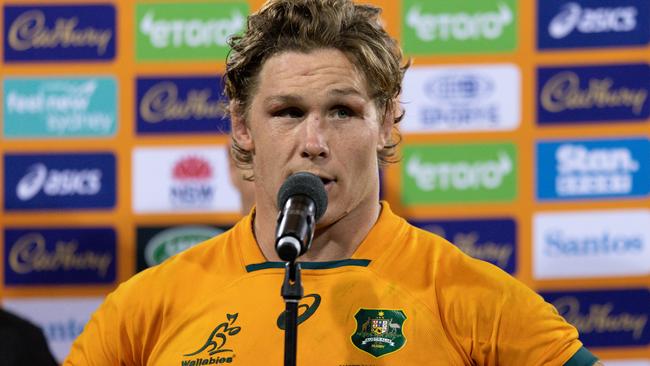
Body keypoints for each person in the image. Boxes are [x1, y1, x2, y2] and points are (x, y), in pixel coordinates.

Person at [65, 1, 602, 364]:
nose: (314, 140)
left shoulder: (473, 300)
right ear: (241, 126)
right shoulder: (144, 309)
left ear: (387, 121)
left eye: (342, 111)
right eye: (287, 112)